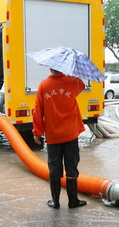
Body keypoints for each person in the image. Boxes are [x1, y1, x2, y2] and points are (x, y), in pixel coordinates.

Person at [32, 69, 87, 209]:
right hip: (71, 134)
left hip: (53, 136)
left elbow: (38, 110)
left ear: (50, 68)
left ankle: (55, 201)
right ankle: (73, 201)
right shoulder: (73, 82)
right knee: (72, 167)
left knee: (54, 168)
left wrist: (37, 132)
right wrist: (71, 74)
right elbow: (82, 85)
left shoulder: (44, 85)